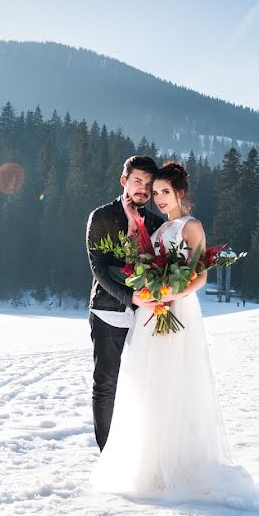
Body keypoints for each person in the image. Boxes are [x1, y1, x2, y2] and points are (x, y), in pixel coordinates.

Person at [90, 161, 259, 506]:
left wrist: (169, 295)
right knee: (148, 382)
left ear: (180, 193)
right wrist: (151, 289)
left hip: (175, 308)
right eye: (154, 192)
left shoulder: (190, 226)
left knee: (177, 380)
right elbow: (135, 258)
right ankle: (151, 461)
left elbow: (200, 275)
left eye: (164, 192)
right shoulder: (156, 228)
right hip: (152, 311)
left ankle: (179, 462)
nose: (157, 198)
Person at [86, 155, 164, 452]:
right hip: (108, 310)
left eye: (148, 184)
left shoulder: (157, 223)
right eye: (137, 181)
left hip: (148, 315)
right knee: (106, 384)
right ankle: (108, 454)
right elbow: (100, 268)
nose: (143, 189)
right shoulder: (102, 216)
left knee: (145, 383)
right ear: (124, 181)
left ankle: (140, 454)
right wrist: (130, 298)